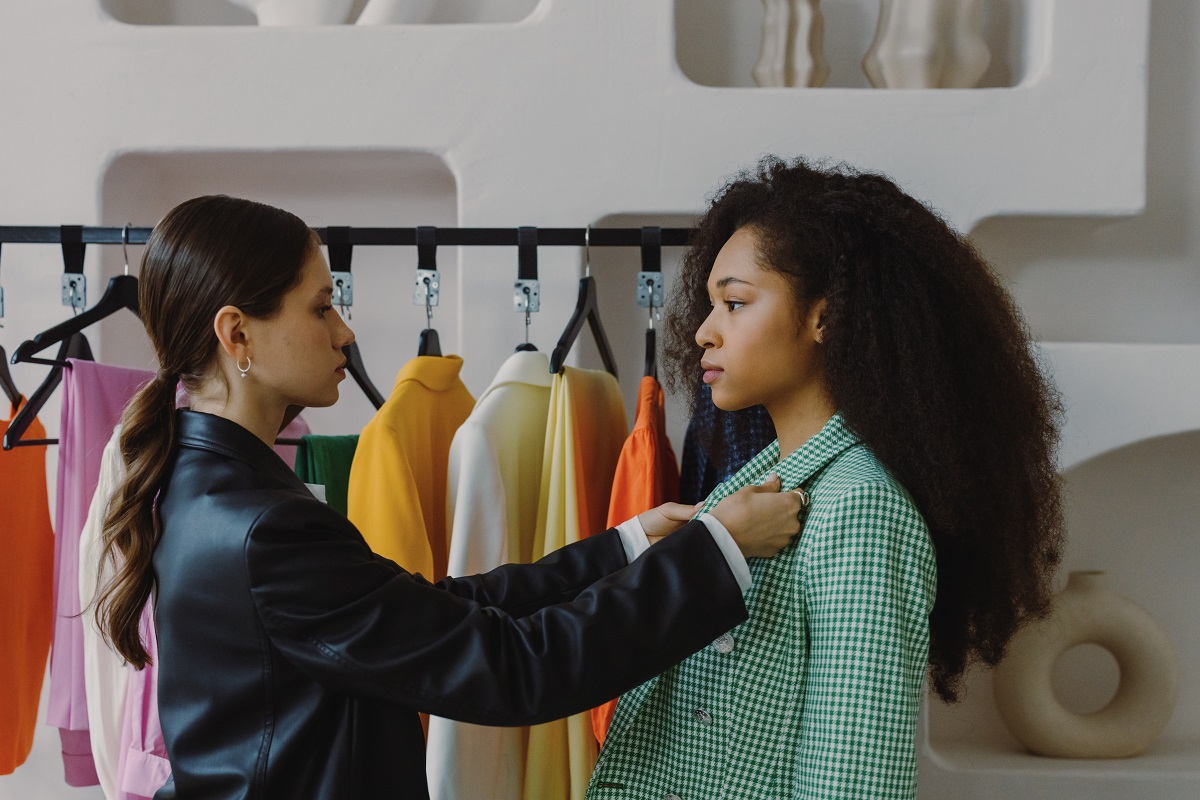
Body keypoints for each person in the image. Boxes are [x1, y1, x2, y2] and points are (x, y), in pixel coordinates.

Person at [92, 195, 808, 800]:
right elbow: (514, 666)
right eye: (320, 309)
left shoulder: (208, 484)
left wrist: (623, 546)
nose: (345, 332)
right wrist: (716, 552)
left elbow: (435, 606)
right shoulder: (262, 525)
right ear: (236, 333)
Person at [588, 157, 1065, 800]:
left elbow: (853, 779)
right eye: (710, 306)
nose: (703, 331)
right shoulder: (753, 489)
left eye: (734, 303)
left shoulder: (859, 508)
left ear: (824, 317)